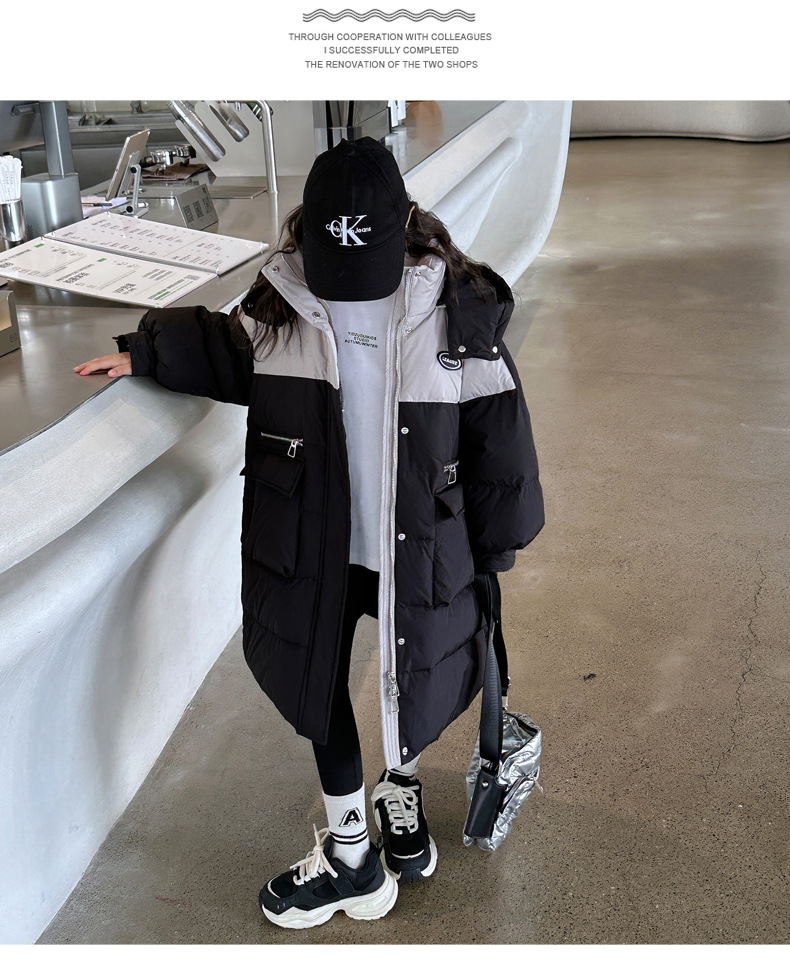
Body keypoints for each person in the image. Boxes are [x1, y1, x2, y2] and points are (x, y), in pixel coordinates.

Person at [74, 137, 545, 930]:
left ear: (405, 225)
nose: (350, 287)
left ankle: (400, 794)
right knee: (319, 685)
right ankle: (354, 856)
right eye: (335, 264)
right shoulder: (283, 305)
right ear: (307, 234)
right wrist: (146, 352)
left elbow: (504, 453)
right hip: (314, 548)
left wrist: (492, 551)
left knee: (411, 674)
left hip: (417, 551)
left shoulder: (458, 319)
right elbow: (228, 350)